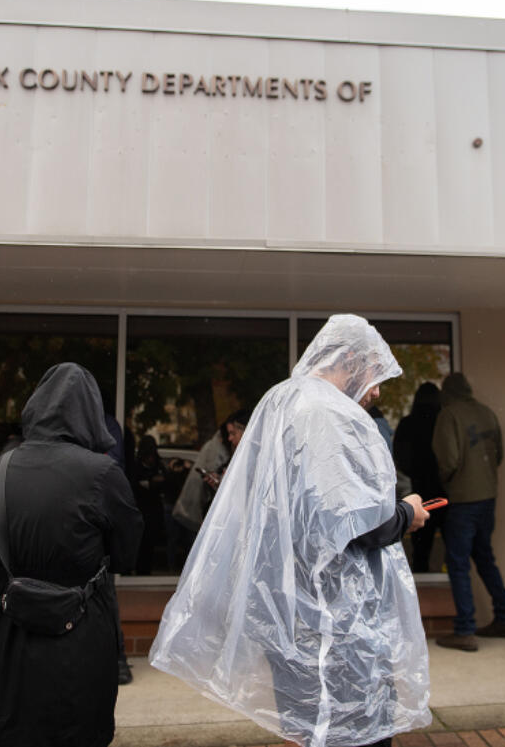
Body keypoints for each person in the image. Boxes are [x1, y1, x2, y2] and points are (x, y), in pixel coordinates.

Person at [150, 314, 433, 747]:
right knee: (348, 731)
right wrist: (405, 515)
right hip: (332, 616)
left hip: (293, 605)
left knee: (306, 725)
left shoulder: (281, 401)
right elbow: (351, 522)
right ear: (352, 360)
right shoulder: (330, 413)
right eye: (377, 375)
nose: (377, 391)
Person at [0, 363, 142, 747]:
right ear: (90, 413)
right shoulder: (102, 473)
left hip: (5, 634)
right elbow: (127, 555)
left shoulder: (2, 467)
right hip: (77, 639)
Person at [431, 372, 505, 650]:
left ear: (447, 392)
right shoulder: (487, 413)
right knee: (484, 557)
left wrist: (447, 482)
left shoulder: (449, 415)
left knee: (457, 564)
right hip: (488, 497)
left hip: (463, 499)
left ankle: (465, 630)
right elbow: (500, 455)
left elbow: (449, 460)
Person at [392, 382, 443, 572]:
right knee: (453, 550)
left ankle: (420, 581)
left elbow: (399, 456)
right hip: (444, 489)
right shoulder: (442, 420)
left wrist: (413, 472)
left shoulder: (408, 424)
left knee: (420, 547)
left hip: (419, 488)